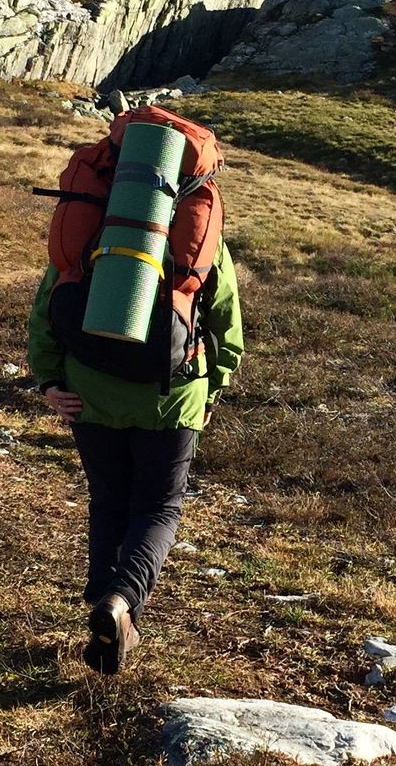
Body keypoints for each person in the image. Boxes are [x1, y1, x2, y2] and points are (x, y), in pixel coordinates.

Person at [27, 239, 242, 674]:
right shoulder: (199, 234)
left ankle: (109, 616)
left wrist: (49, 379)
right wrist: (211, 389)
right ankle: (121, 599)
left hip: (89, 394)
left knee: (108, 499)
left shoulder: (89, 222)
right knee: (157, 508)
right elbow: (225, 322)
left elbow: (48, 305)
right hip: (171, 398)